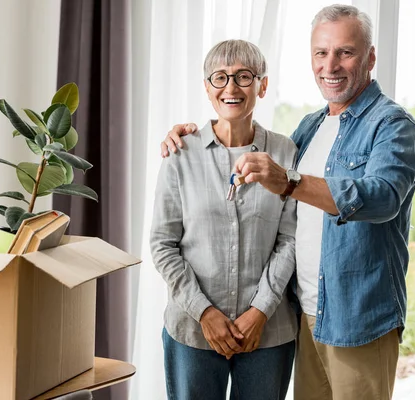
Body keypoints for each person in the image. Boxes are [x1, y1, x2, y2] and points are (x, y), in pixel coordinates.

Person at [160, 5, 415, 400]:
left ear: (370, 57)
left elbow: (382, 197)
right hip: (304, 317)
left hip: (357, 319)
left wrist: (289, 181)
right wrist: (188, 136)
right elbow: (276, 199)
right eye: (321, 53)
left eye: (345, 52)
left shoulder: (392, 125)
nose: (330, 65)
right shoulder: (311, 127)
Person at [150, 39, 298, 400]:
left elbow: (291, 239)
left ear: (262, 85)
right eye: (219, 77)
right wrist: (205, 314)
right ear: (207, 87)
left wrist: (260, 310)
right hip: (192, 330)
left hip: (269, 331)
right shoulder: (180, 154)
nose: (230, 88)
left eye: (243, 77)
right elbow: (162, 245)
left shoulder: (285, 151)